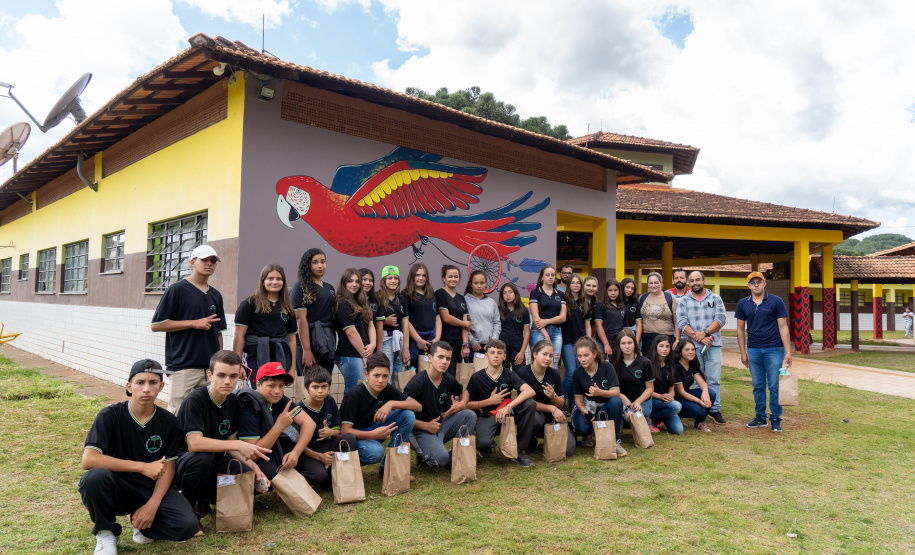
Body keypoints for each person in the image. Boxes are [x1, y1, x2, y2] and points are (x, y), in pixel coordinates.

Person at [79, 359, 200, 554]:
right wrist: (142, 467)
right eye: (140, 382)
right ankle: (106, 532)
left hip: (151, 488)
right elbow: (89, 460)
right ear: (129, 386)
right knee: (94, 478)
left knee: (187, 526)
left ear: (161, 386)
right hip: (119, 487)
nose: (146, 389)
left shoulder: (168, 421)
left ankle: (141, 523)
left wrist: (152, 506)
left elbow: (169, 468)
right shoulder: (110, 415)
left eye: (153, 383)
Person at [174, 351, 271, 518]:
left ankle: (205, 498)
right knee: (204, 458)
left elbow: (231, 441)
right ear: (210, 375)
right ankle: (188, 508)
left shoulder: (232, 401)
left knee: (249, 476)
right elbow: (194, 444)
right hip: (186, 463)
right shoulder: (195, 400)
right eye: (221, 375)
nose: (227, 381)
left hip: (215, 461)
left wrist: (256, 469)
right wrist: (237, 444)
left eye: (233, 376)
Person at [150, 244, 227, 414]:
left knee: (208, 412)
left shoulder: (215, 295)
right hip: (182, 365)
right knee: (177, 411)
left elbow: (218, 332)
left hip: (209, 368)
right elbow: (156, 325)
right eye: (205, 260)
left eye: (213, 261)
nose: (209, 264)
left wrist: (218, 363)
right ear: (192, 262)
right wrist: (193, 323)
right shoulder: (177, 289)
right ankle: (172, 441)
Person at [340, 353, 420, 475]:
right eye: (376, 375)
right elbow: (344, 431)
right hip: (356, 437)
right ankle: (344, 468)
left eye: (385, 376)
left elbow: (417, 406)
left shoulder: (386, 388)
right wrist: (373, 434)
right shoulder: (354, 395)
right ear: (366, 373)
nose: (381, 380)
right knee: (376, 452)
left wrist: (392, 403)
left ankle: (388, 467)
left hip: (374, 428)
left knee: (408, 415)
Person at [235, 362, 316, 480]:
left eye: (281, 386)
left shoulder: (279, 399)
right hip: (247, 457)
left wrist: (296, 453)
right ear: (258, 384)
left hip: (270, 450)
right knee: (272, 473)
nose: (277, 391)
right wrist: (279, 426)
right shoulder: (249, 406)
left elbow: (309, 423)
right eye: (271, 386)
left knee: (296, 455)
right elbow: (252, 455)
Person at [735, 271, 792, 433]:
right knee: (758, 384)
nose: (756, 285)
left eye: (759, 282)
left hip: (774, 348)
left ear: (764, 283)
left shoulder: (776, 301)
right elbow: (740, 330)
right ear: (748, 285)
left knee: (774, 385)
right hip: (753, 348)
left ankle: (775, 418)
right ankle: (760, 417)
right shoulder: (743, 303)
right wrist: (742, 352)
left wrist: (788, 352)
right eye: (752, 282)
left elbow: (783, 326)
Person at [403, 341, 476, 468]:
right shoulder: (417, 383)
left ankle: (453, 458)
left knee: (469, 415)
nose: (444, 362)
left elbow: (465, 392)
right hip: (419, 430)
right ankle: (425, 456)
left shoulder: (447, 378)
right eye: (440, 357)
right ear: (430, 358)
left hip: (439, 425)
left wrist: (462, 404)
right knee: (440, 459)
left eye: (448, 358)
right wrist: (425, 426)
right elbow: (401, 416)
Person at [465, 340, 537, 467]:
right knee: (483, 444)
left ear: (504, 356)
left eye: (499, 353)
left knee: (529, 404)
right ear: (486, 355)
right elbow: (467, 405)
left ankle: (520, 450)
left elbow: (530, 391)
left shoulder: (509, 374)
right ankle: (485, 440)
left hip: (505, 414)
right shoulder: (476, 377)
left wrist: (508, 408)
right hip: (486, 416)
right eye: (492, 352)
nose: (496, 356)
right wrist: (487, 402)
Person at [676, 271, 727, 424]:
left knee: (713, 379)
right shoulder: (684, 301)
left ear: (704, 281)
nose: (694, 283)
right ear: (688, 283)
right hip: (691, 348)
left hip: (713, 344)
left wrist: (704, 333)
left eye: (697, 280)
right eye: (691, 281)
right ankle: (698, 407)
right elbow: (681, 322)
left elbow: (721, 319)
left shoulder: (715, 298)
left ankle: (714, 409)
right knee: (695, 380)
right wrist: (697, 337)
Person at [233, 264, 297, 377]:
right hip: (254, 355)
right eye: (270, 278)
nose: (275, 282)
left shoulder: (287, 307)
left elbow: (292, 339)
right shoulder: (249, 304)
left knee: (275, 392)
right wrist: (237, 364)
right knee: (257, 392)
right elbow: (239, 336)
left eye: (279, 279)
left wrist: (292, 368)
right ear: (263, 281)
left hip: (279, 356)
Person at [296, 365, 356, 488]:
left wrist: (331, 432)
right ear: (307, 387)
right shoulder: (299, 410)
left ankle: (332, 479)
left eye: (324, 387)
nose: (320, 391)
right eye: (315, 387)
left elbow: (337, 429)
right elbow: (297, 446)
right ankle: (297, 477)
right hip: (307, 452)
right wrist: (319, 457)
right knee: (318, 475)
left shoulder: (329, 401)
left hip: (325, 445)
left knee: (349, 438)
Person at [515, 340, 575, 457]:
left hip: (552, 415)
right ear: (535, 354)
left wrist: (553, 397)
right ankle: (530, 439)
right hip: (534, 415)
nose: (548, 358)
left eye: (551, 356)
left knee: (568, 450)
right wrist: (551, 408)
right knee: (535, 417)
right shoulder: (522, 373)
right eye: (544, 354)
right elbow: (526, 402)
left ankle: (553, 436)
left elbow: (561, 403)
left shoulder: (554, 374)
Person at [570, 337, 626, 456]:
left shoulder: (606, 366)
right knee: (582, 429)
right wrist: (585, 412)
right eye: (579, 356)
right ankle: (589, 433)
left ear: (594, 354)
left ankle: (613, 441)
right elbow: (578, 400)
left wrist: (600, 392)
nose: (583, 359)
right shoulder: (577, 373)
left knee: (616, 402)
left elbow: (616, 392)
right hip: (588, 408)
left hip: (605, 406)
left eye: (586, 355)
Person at [291, 248, 336, 374]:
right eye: (315, 262)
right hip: (308, 339)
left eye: (323, 262)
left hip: (327, 340)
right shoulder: (300, 287)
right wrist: (307, 350)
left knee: (326, 378)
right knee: (308, 381)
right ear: (307, 265)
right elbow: (300, 319)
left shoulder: (330, 288)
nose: (320, 265)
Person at [333, 268, 377, 393]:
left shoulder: (362, 302)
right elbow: (351, 332)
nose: (354, 284)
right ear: (344, 283)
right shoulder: (342, 303)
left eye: (357, 281)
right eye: (350, 281)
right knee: (355, 391)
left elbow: (371, 324)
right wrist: (365, 354)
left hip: (363, 353)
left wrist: (373, 344)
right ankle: (347, 413)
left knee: (359, 391)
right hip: (349, 355)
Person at [610, 329, 657, 433]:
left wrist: (638, 402)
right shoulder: (613, 362)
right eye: (623, 343)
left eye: (630, 343)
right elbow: (610, 387)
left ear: (635, 343)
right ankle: (627, 421)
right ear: (619, 345)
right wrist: (622, 397)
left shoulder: (645, 363)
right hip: (621, 402)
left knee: (629, 415)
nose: (627, 346)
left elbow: (650, 389)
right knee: (624, 413)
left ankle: (638, 419)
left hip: (642, 402)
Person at [672, 339, 715, 432]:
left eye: (693, 349)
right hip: (676, 397)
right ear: (680, 351)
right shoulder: (676, 367)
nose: (691, 352)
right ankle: (676, 415)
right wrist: (699, 401)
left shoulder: (692, 363)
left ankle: (700, 422)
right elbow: (681, 392)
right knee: (700, 410)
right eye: (687, 350)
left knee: (711, 393)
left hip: (686, 393)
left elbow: (701, 382)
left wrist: (705, 392)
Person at [404, 263, 442, 370]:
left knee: (431, 372)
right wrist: (418, 340)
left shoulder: (431, 294)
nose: (421, 278)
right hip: (415, 342)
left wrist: (437, 338)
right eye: (418, 275)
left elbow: (437, 318)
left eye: (424, 275)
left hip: (431, 341)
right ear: (412, 277)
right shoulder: (406, 295)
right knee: (415, 373)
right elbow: (406, 321)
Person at [435, 265, 471, 376]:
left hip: (459, 343)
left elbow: (466, 324)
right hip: (445, 341)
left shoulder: (461, 298)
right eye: (450, 276)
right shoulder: (440, 294)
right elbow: (446, 317)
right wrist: (464, 323)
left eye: (456, 277)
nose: (453, 279)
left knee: (457, 374)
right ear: (444, 278)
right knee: (446, 373)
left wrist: (465, 345)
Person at [560, 274, 592, 399]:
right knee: (571, 373)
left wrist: (588, 341)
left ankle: (574, 404)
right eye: (573, 283)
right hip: (567, 341)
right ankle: (560, 401)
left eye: (578, 283)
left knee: (580, 373)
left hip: (582, 343)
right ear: (569, 285)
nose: (575, 285)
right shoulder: (564, 300)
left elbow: (588, 325)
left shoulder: (585, 303)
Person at [529, 264, 567, 368]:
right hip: (538, 331)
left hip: (556, 332)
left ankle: (550, 385)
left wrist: (546, 321)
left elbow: (563, 317)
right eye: (547, 275)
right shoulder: (535, 293)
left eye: (553, 275)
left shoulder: (560, 294)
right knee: (537, 362)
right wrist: (545, 334)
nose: (551, 277)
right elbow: (535, 317)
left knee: (553, 363)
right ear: (542, 277)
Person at [645, 336, 684, 434]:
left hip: (665, 402)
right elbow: (644, 388)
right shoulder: (647, 364)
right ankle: (650, 418)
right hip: (651, 400)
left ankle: (655, 419)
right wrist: (660, 396)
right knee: (677, 406)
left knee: (678, 430)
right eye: (661, 346)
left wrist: (670, 397)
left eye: (667, 346)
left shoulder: (671, 365)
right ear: (655, 347)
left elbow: (672, 388)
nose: (665, 349)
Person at [377, 266, 411, 374]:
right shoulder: (377, 297)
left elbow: (405, 324)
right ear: (384, 280)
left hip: (399, 340)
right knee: (387, 373)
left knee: (399, 375)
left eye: (395, 278)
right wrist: (384, 321)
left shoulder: (402, 299)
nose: (393, 281)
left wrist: (406, 348)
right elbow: (369, 320)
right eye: (389, 278)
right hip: (385, 340)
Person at [638, 271, 679, 352]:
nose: (653, 285)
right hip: (647, 338)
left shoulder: (670, 298)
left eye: (656, 282)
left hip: (666, 338)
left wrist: (677, 340)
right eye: (651, 283)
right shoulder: (642, 298)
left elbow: (676, 321)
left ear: (661, 282)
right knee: (648, 363)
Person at [465, 270, 501, 355]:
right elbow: (463, 324)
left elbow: (497, 322)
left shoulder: (491, 302)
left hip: (489, 347)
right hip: (472, 347)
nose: (479, 286)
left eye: (482, 283)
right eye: (476, 283)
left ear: (485, 283)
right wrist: (472, 341)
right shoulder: (465, 301)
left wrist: (492, 342)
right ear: (471, 284)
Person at [498, 282, 532, 371]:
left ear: (515, 293)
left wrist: (522, 352)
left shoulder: (523, 310)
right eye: (504, 293)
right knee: (503, 375)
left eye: (510, 292)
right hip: (502, 348)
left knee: (520, 375)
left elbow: (527, 332)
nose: (507, 295)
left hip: (517, 348)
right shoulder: (499, 310)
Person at [358, 268, 386, 358]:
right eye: (364, 279)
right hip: (354, 347)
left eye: (370, 280)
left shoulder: (376, 301)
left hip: (371, 347)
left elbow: (379, 328)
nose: (367, 283)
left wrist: (378, 351)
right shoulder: (352, 300)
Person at [594, 279, 625, 357]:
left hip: (619, 341)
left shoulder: (623, 307)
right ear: (606, 291)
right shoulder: (600, 305)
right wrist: (606, 344)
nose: (613, 293)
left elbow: (625, 328)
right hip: (604, 342)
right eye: (610, 290)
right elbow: (598, 326)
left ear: (619, 291)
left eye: (615, 290)